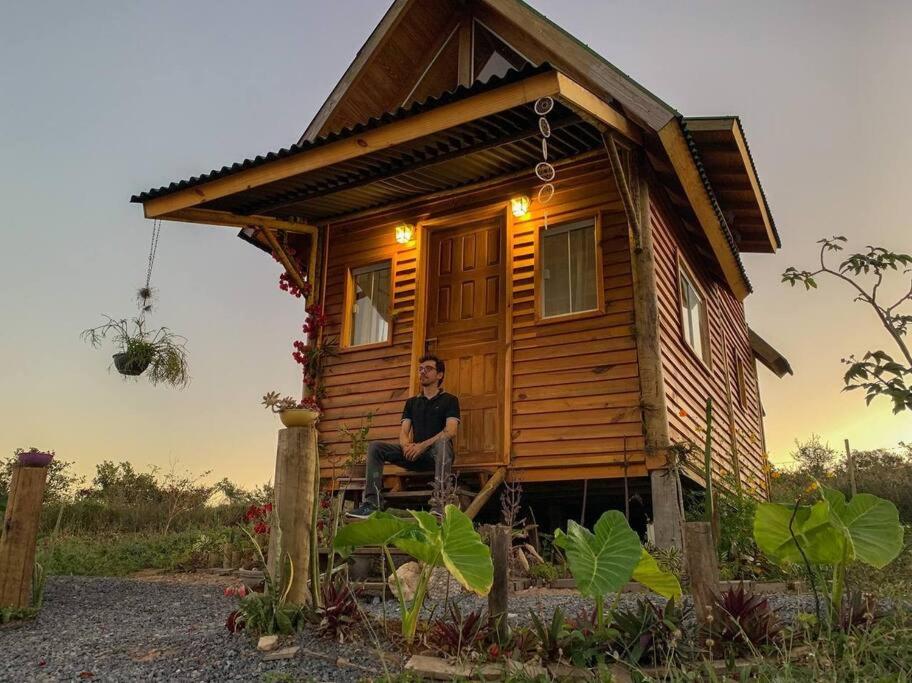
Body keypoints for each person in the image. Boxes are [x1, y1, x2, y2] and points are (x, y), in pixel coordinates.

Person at [347, 354, 460, 519]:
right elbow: (404, 432)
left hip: (436, 457)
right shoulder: (412, 402)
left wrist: (422, 445)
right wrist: (407, 446)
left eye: (428, 369)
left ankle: (440, 503)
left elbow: (451, 431)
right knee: (375, 447)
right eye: (420, 369)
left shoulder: (450, 400)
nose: (422, 372)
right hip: (414, 455)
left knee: (443, 443)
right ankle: (372, 503)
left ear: (440, 375)